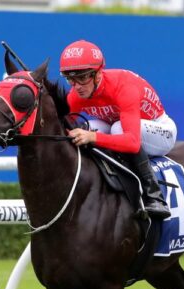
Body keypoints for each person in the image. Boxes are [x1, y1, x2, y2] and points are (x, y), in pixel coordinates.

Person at [60, 40, 174, 220]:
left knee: (115, 128)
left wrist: (92, 137)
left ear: (98, 74)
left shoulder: (123, 86)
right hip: (121, 125)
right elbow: (64, 127)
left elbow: (132, 142)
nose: (77, 86)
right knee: (86, 127)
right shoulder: (76, 94)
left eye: (82, 78)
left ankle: (154, 196)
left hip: (161, 132)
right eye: (70, 79)